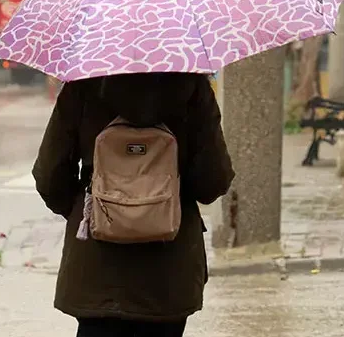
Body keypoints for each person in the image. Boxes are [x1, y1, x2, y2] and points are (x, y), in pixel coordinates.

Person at [32, 73, 235, 337]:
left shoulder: (83, 84)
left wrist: (89, 207)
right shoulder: (192, 88)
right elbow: (213, 182)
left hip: (98, 268)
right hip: (169, 273)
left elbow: (49, 176)